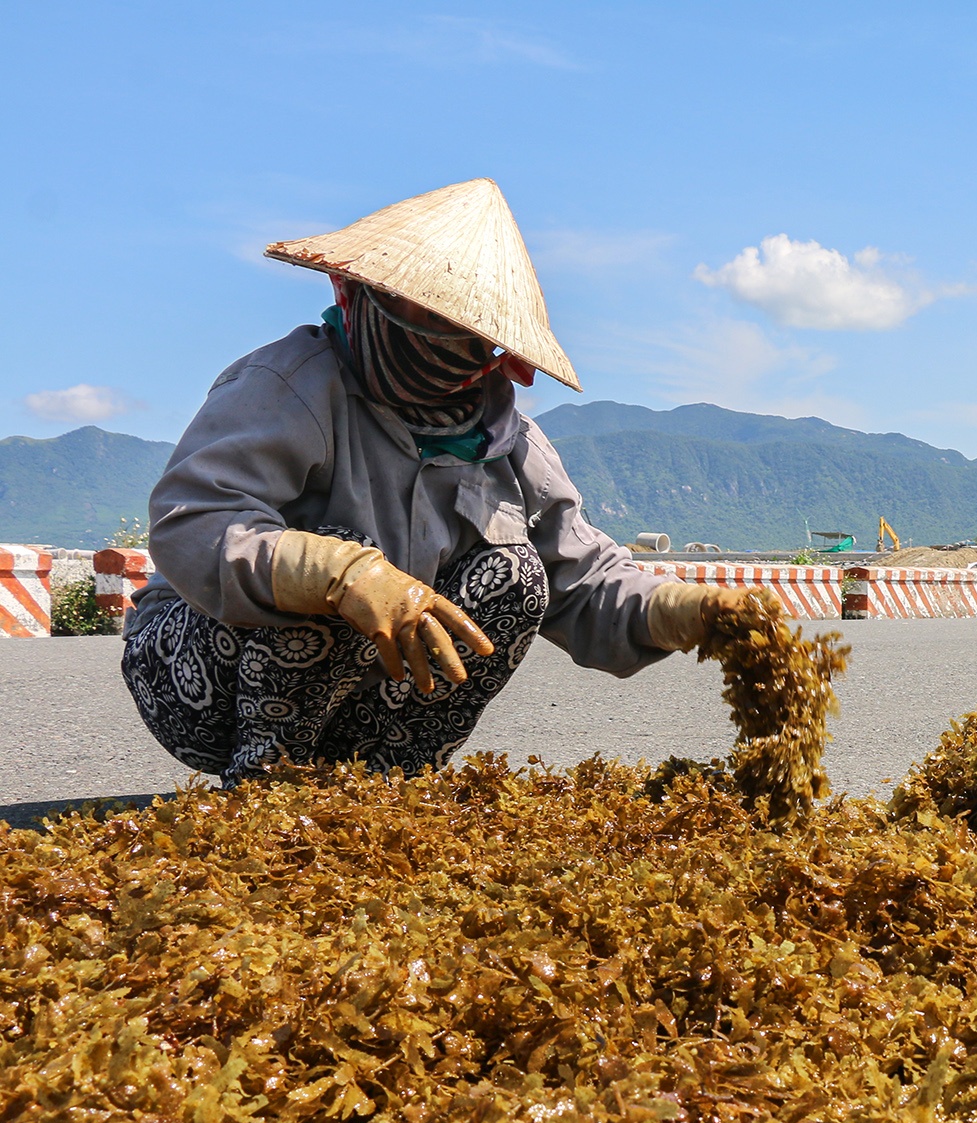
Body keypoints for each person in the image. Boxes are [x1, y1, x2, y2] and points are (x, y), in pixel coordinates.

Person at [125, 178, 753, 786]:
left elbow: (582, 580)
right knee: (342, 559)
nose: (447, 341)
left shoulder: (509, 444)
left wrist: (686, 610)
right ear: (361, 295)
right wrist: (342, 575)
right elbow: (195, 523)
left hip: (362, 696)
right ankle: (269, 788)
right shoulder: (290, 386)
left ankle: (387, 783)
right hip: (202, 685)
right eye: (427, 314)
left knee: (516, 576)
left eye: (465, 329)